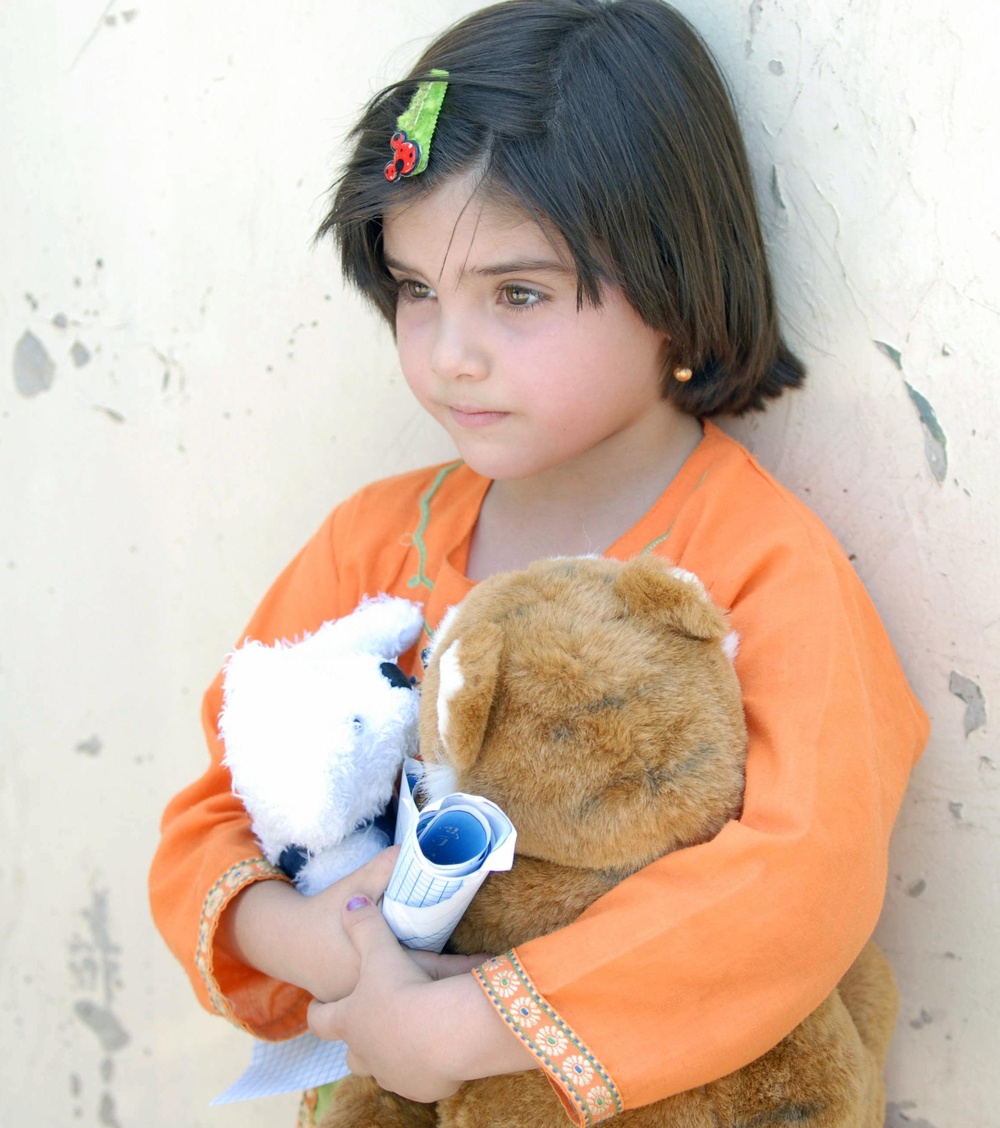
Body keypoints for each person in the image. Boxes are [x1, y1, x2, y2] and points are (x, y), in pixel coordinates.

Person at [149, 1, 929, 1124]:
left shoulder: (758, 568)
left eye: (517, 294)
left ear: (674, 288)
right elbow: (215, 813)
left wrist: (464, 1025)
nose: (449, 355)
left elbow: (800, 883)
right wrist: (318, 940)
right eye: (416, 290)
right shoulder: (373, 547)